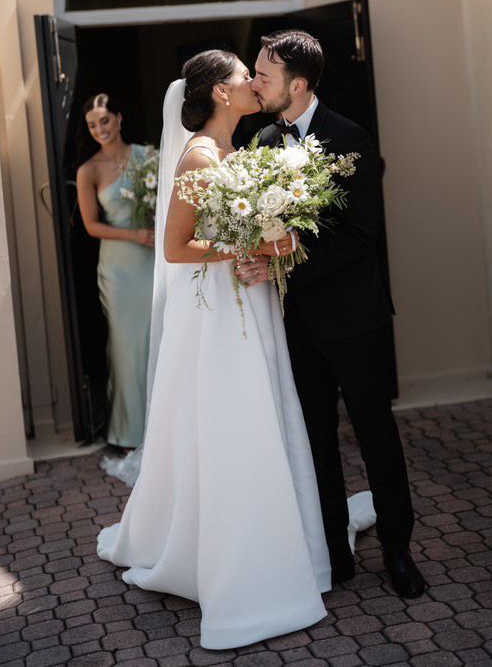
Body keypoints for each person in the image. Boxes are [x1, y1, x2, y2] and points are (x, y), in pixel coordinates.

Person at [96, 52, 331, 650]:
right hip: (219, 314)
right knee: (233, 422)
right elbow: (176, 248)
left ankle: (281, 541)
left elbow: (240, 232)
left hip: (247, 303)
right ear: (220, 96)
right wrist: (247, 244)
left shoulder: (236, 152)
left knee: (261, 412)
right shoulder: (199, 155)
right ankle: (237, 563)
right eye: (241, 78)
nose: (254, 84)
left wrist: (274, 245)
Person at [242, 28, 426, 599]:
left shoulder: (350, 139)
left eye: (264, 77)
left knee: (376, 436)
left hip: (355, 318)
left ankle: (399, 550)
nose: (254, 84)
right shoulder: (262, 141)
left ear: (297, 84)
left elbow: (360, 236)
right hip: (296, 324)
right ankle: (332, 553)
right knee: (315, 440)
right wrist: (256, 259)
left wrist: (288, 254)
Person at [76, 93, 155, 450]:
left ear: (119, 119)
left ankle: (164, 424)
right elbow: (91, 225)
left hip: (153, 260)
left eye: (104, 121)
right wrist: (134, 234)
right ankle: (130, 431)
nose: (99, 130)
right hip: (119, 268)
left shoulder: (148, 156)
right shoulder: (88, 170)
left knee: (158, 338)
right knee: (126, 346)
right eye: (92, 125)